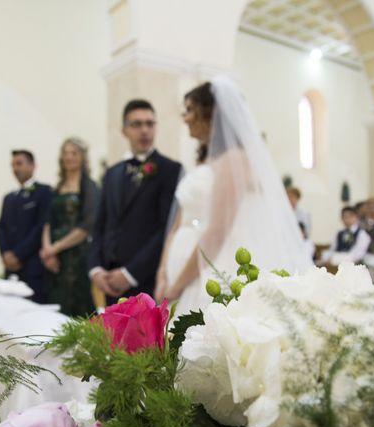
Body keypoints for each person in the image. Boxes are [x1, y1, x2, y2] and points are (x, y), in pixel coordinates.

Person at [154, 77, 312, 313]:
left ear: (210, 112)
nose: (184, 117)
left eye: (190, 109)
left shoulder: (234, 160)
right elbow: (178, 222)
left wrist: (177, 287)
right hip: (179, 273)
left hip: (207, 272)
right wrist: (162, 273)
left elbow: (217, 232)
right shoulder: (206, 161)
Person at [88, 100, 182, 305]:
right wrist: (96, 269)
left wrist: (130, 274)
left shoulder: (170, 170)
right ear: (124, 130)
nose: (145, 130)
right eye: (137, 124)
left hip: (145, 280)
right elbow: (100, 225)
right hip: (108, 281)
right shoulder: (112, 173)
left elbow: (166, 229)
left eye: (150, 123)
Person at [40, 137, 99, 317]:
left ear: (82, 157)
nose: (69, 157)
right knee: (55, 304)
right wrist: (47, 250)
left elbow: (86, 225)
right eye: (65, 153)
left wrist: (55, 248)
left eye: (73, 153)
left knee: (78, 305)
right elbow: (48, 222)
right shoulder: (57, 187)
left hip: (78, 255)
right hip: (55, 257)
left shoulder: (89, 186)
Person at [0, 150, 52, 303]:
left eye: (19, 164)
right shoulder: (8, 198)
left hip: (32, 267)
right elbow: (0, 228)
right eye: (13, 165)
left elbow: (41, 227)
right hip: (10, 269)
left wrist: (18, 255)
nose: (15, 168)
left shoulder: (44, 192)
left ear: (32, 166)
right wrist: (5, 254)